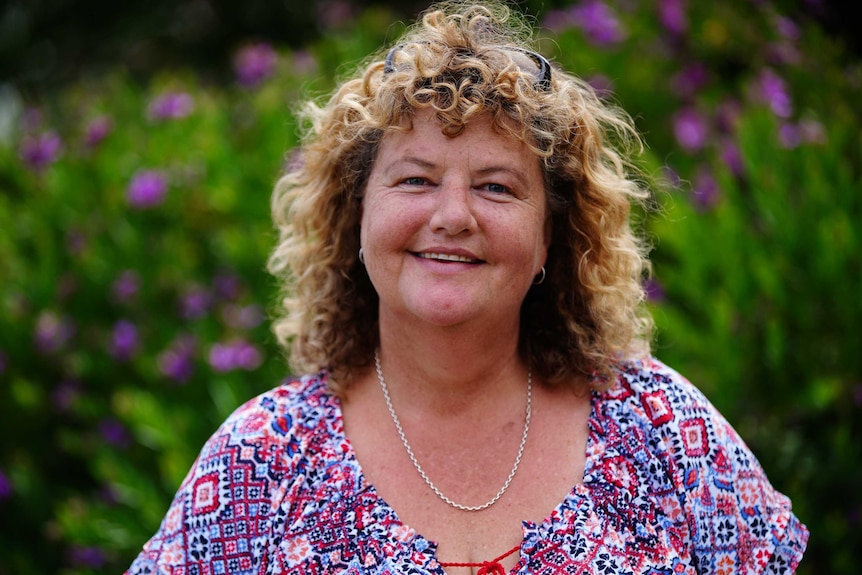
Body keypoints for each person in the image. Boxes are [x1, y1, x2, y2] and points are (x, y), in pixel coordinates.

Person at [126, 1, 809, 573]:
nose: (452, 216)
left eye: (496, 186)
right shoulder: (260, 461)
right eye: (416, 179)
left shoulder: (665, 431)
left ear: (552, 235)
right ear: (355, 215)